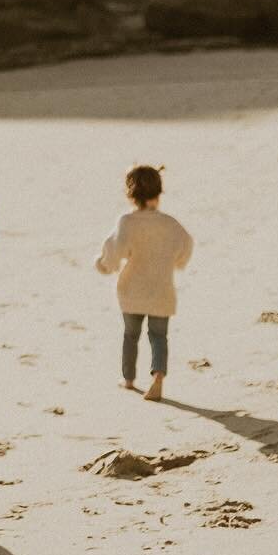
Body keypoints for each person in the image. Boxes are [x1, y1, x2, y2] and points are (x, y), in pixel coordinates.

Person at [95, 164, 193, 402]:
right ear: (158, 194)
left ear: (131, 195)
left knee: (131, 334)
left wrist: (105, 265)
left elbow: (114, 249)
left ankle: (128, 379)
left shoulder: (127, 222)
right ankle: (158, 377)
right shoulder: (170, 223)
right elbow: (186, 244)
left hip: (132, 291)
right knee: (159, 336)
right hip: (161, 290)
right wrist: (176, 262)